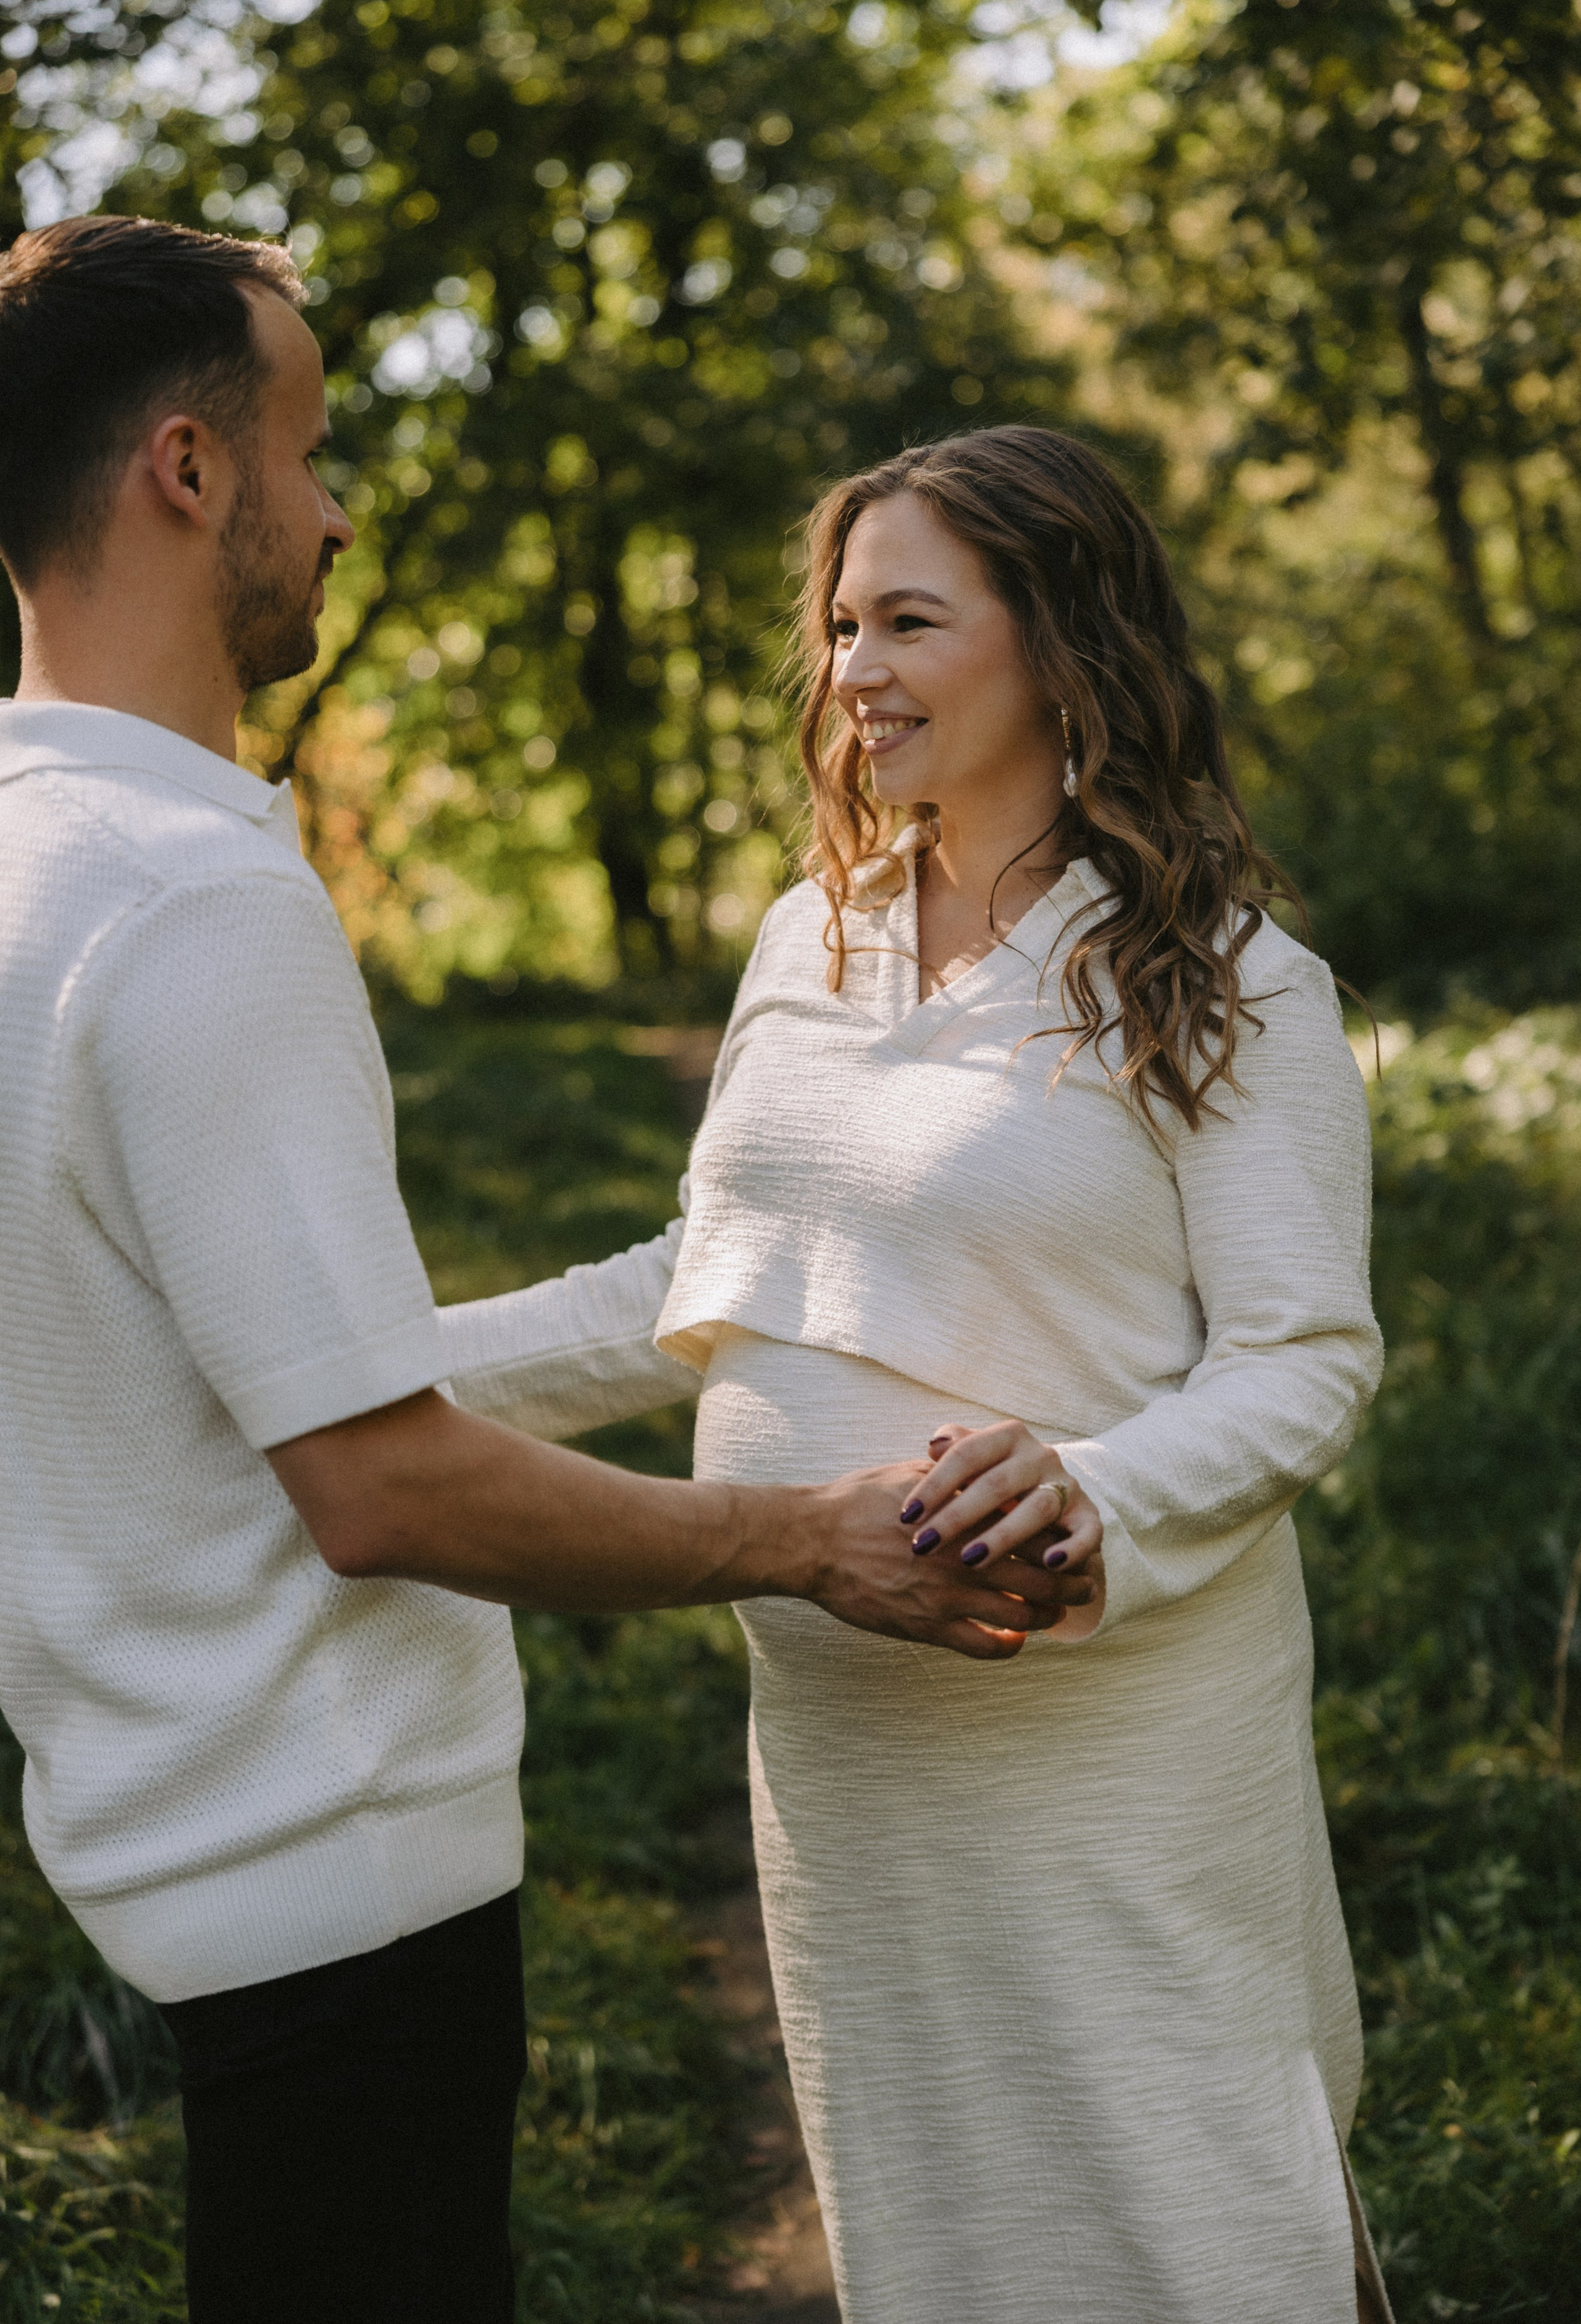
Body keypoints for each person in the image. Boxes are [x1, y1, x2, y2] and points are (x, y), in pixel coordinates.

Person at [0, 221, 1088, 2324]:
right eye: (309, 449)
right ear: (188, 470)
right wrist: (812, 1541)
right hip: (334, 1880)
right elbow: (378, 1483)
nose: (339, 509)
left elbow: (225, 1362)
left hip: (146, 1835)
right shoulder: (195, 897)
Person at [464, 427, 1394, 2322]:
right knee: (945, 2228)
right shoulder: (808, 936)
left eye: (905, 620)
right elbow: (703, 1273)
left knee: (1197, 2213)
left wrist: (1097, 1486)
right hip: (849, 1777)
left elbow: (1306, 1359)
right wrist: (356, 1377)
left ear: (1060, 643)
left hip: (1112, 1744)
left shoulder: (1223, 973)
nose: (851, 670)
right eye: (836, 625)